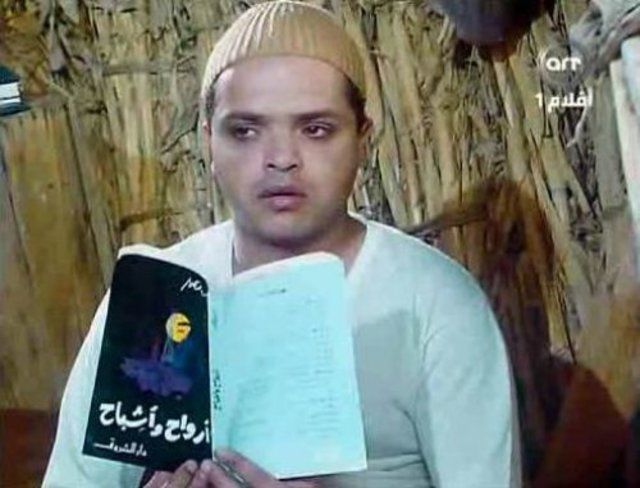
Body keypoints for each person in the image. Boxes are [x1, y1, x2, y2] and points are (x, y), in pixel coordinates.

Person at [43, 1, 521, 486]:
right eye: (245, 131)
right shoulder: (151, 298)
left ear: (363, 141)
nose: (281, 158)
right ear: (208, 142)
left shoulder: (433, 304)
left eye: (316, 130)